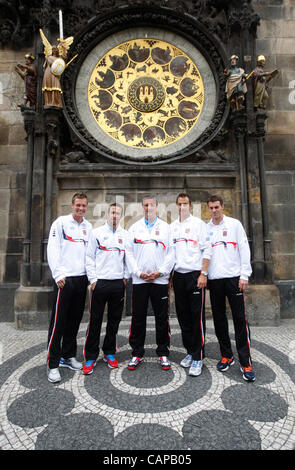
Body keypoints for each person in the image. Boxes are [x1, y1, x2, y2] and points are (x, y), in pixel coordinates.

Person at [83, 203, 136, 375]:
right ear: (107, 214)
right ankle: (90, 356)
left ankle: (109, 352)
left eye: (118, 213)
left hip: (117, 284)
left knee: (114, 321)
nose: (115, 215)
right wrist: (93, 280)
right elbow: (89, 257)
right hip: (100, 283)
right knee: (95, 321)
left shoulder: (125, 235)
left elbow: (129, 258)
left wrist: (125, 278)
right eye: (112, 212)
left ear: (121, 215)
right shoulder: (97, 233)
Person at [206, 195, 255, 382]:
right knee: (219, 320)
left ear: (222, 207)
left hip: (234, 278)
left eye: (216, 207)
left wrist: (244, 275)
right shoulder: (206, 228)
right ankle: (227, 355)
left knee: (240, 320)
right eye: (210, 208)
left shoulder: (234, 225)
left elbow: (244, 249)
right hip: (215, 279)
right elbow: (205, 252)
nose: (214, 211)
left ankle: (246, 362)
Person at [47, 192, 92, 383]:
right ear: (72, 205)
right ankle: (52, 364)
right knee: (58, 323)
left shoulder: (88, 227)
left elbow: (90, 254)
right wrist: (58, 274)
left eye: (83, 206)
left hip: (81, 279)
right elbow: (52, 248)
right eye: (78, 205)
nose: (81, 209)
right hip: (64, 280)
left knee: (74, 321)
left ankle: (68, 356)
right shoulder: (60, 223)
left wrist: (91, 277)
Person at [127, 195, 174, 371]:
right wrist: (138, 273)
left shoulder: (166, 228)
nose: (148, 208)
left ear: (157, 207)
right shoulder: (134, 228)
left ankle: (163, 352)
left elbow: (171, 253)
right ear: (142, 207)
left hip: (159, 280)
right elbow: (128, 253)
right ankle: (137, 353)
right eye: (145, 205)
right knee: (138, 317)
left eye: (151, 205)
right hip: (140, 281)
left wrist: (160, 271)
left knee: (162, 318)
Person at [170, 193, 212, 377]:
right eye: (179, 204)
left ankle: (198, 356)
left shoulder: (199, 225)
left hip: (195, 276)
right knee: (183, 316)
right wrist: (170, 275)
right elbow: (170, 254)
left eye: (185, 204)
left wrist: (203, 273)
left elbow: (207, 249)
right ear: (176, 206)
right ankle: (189, 351)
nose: (182, 207)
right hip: (179, 276)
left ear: (190, 205)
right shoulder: (172, 227)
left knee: (196, 317)